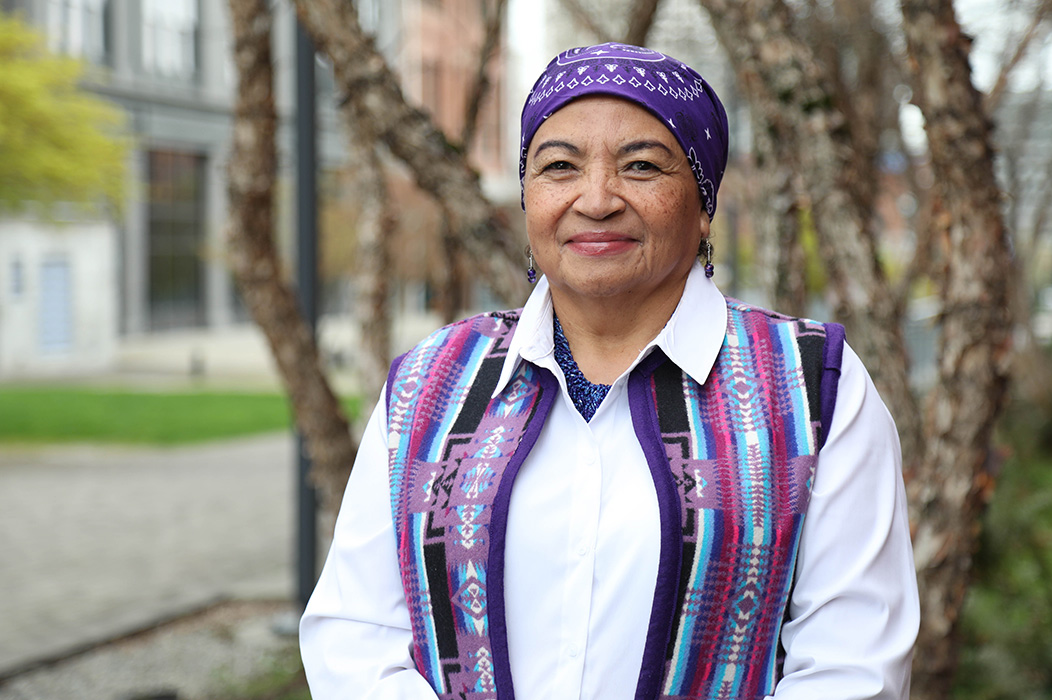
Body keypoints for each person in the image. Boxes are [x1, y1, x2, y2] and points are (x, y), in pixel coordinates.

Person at [299, 42, 919, 700]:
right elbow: (355, 630)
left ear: (703, 202)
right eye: (559, 166)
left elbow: (854, 670)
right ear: (527, 197)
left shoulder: (810, 386)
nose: (596, 199)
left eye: (642, 166)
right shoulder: (434, 383)